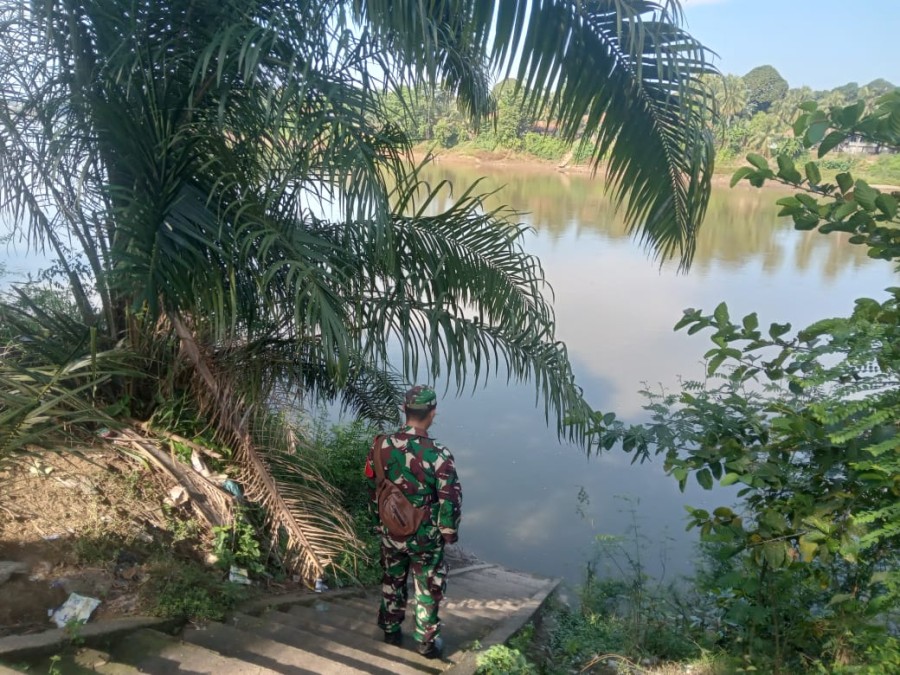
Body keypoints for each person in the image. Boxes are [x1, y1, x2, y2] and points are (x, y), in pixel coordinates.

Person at [364, 385, 462, 659]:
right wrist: (448, 533)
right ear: (433, 414)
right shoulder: (439, 454)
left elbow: (373, 485)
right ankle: (427, 643)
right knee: (428, 585)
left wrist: (378, 521)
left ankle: (391, 630)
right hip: (425, 537)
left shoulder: (380, 445)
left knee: (392, 578)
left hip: (390, 530)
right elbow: (450, 499)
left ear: (404, 410)